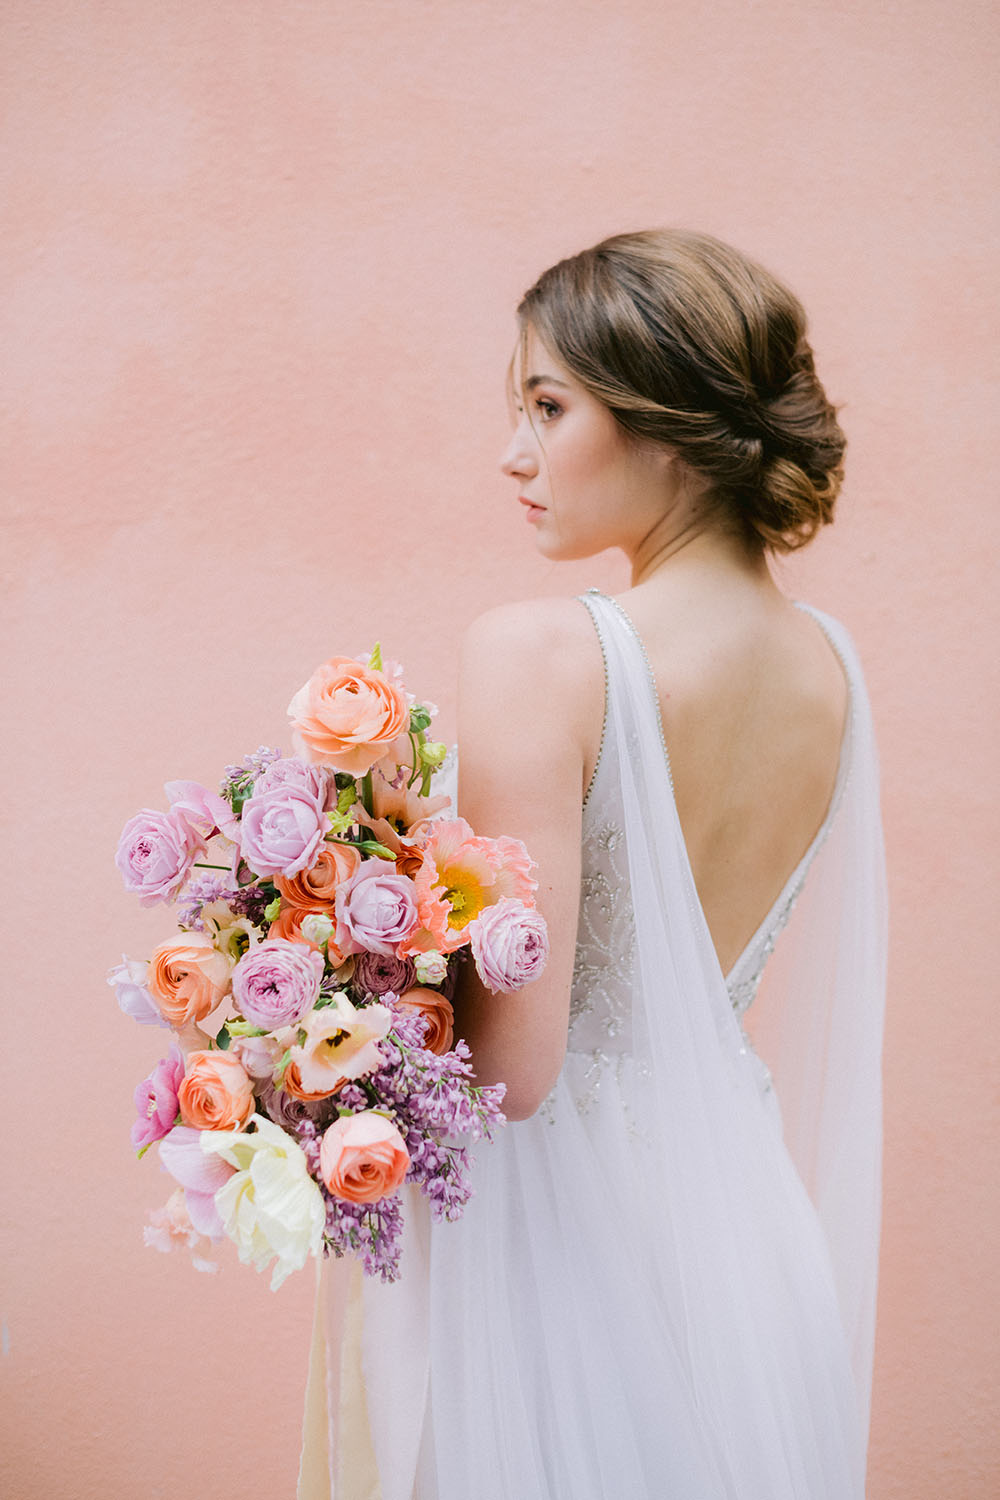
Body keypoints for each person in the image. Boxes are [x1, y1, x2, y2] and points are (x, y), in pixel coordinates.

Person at [297, 228, 887, 1500]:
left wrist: (329, 968)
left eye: (548, 407)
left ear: (666, 419)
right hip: (737, 1238)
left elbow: (515, 1071)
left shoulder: (541, 653)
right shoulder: (830, 667)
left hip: (561, 1258)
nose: (514, 452)